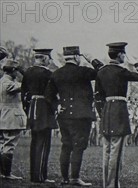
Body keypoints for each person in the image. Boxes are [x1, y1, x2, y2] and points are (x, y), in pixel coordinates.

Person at [95, 42, 138, 187]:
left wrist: (102, 113)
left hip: (106, 111)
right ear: (119, 54)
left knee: (106, 151)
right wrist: (137, 63)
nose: (125, 57)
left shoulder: (101, 71)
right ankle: (112, 185)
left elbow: (98, 96)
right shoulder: (121, 71)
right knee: (116, 152)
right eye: (124, 54)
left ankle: (107, 183)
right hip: (119, 111)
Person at [45, 46, 103, 186]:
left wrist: (58, 105)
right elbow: (103, 72)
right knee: (78, 146)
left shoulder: (56, 74)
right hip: (82, 116)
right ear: (77, 57)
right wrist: (92, 60)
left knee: (66, 145)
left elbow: (48, 96)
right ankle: (75, 178)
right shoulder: (83, 72)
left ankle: (65, 178)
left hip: (64, 115)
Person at [22, 49, 58, 183]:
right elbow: (52, 95)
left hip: (33, 108)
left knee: (35, 143)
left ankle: (34, 175)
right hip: (44, 109)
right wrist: (55, 108)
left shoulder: (28, 72)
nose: (50, 61)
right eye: (49, 58)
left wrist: (28, 109)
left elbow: (24, 93)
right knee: (44, 144)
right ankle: (41, 176)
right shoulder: (48, 74)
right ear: (44, 59)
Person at [0, 58, 26, 180]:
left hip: (2, 116)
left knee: (2, 144)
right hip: (11, 118)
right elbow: (28, 83)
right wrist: (24, 72)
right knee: (9, 145)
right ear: (14, 71)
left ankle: (3, 172)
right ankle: (6, 173)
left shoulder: (2, 82)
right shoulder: (9, 84)